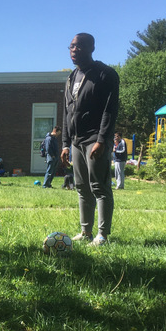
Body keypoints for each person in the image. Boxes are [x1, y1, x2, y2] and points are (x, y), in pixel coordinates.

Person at [60, 33, 119, 246]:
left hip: (95, 138)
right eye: (71, 46)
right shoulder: (71, 77)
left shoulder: (105, 74)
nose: (74, 50)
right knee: (82, 187)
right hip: (76, 141)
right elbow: (67, 112)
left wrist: (101, 140)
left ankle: (102, 235)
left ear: (91, 48)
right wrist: (65, 144)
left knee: (99, 187)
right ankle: (86, 232)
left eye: (79, 46)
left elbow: (110, 110)